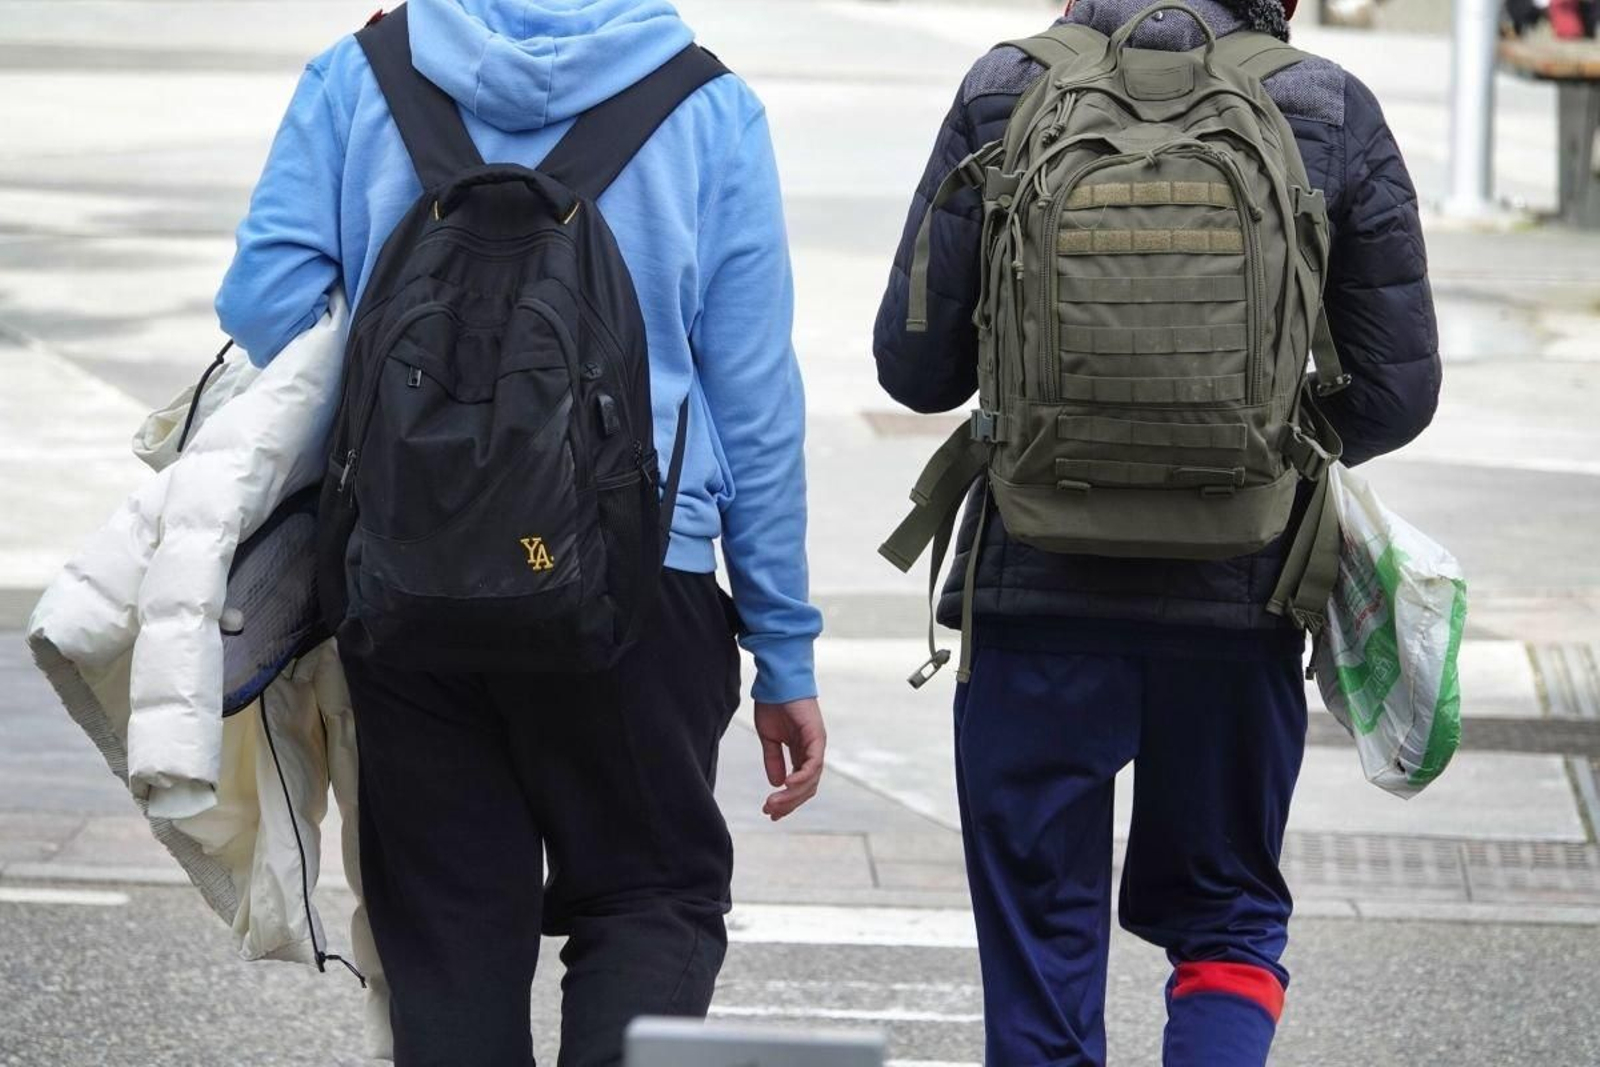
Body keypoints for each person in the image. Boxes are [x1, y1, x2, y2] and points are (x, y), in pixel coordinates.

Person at [215, 1, 826, 1063]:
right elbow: (755, 400)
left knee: (446, 927)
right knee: (651, 895)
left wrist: (427, 409)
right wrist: (783, 646)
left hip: (408, 577)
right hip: (641, 579)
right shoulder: (708, 107)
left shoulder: (362, 75)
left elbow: (266, 301)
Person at [873, 0, 1440, 1064]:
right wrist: (1265, 441)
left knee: (1041, 937)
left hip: (1033, 594)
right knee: (1226, 914)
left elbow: (914, 367)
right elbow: (1397, 391)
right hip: (1243, 590)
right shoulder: (1325, 106)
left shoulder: (1006, 88)